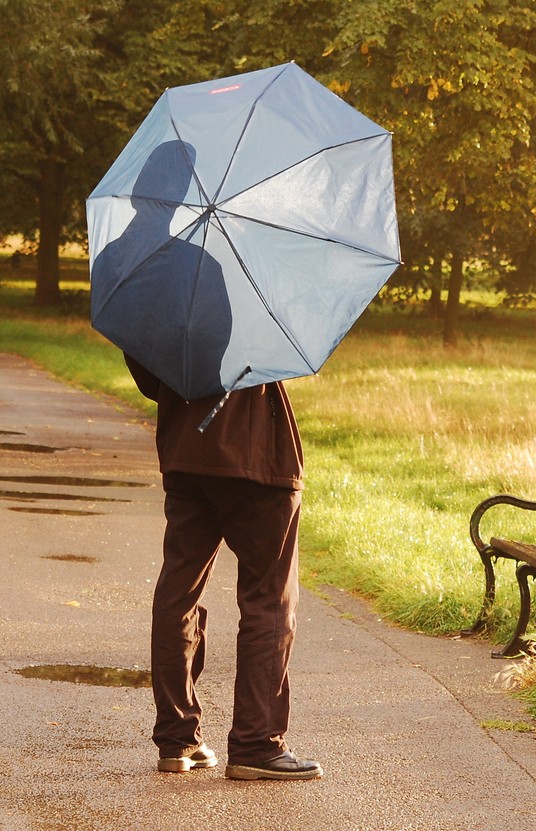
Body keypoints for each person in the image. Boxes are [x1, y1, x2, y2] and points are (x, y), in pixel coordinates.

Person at [100, 140, 322, 781]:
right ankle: (256, 746)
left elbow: (147, 377)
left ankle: (177, 740)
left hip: (185, 449)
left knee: (178, 590)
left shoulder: (122, 263)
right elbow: (247, 353)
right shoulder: (227, 261)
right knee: (268, 597)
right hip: (253, 449)